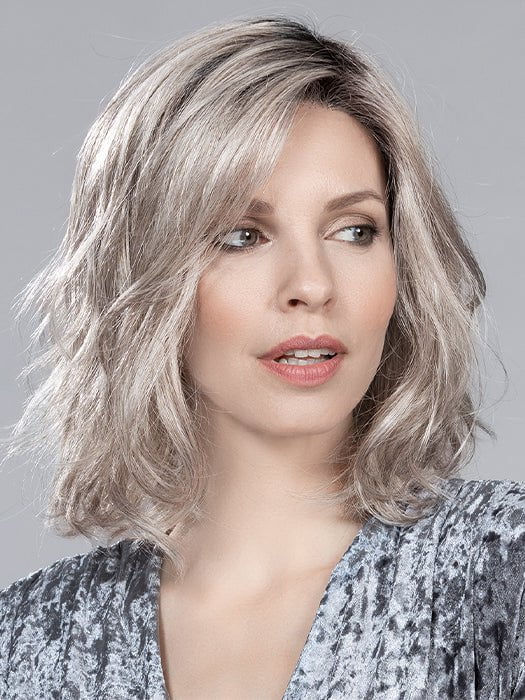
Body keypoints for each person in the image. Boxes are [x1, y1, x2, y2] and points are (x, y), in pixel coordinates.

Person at [0, 14, 524, 700]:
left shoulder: (502, 570)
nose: (312, 285)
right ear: (143, 274)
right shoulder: (27, 642)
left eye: (354, 230)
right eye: (242, 236)